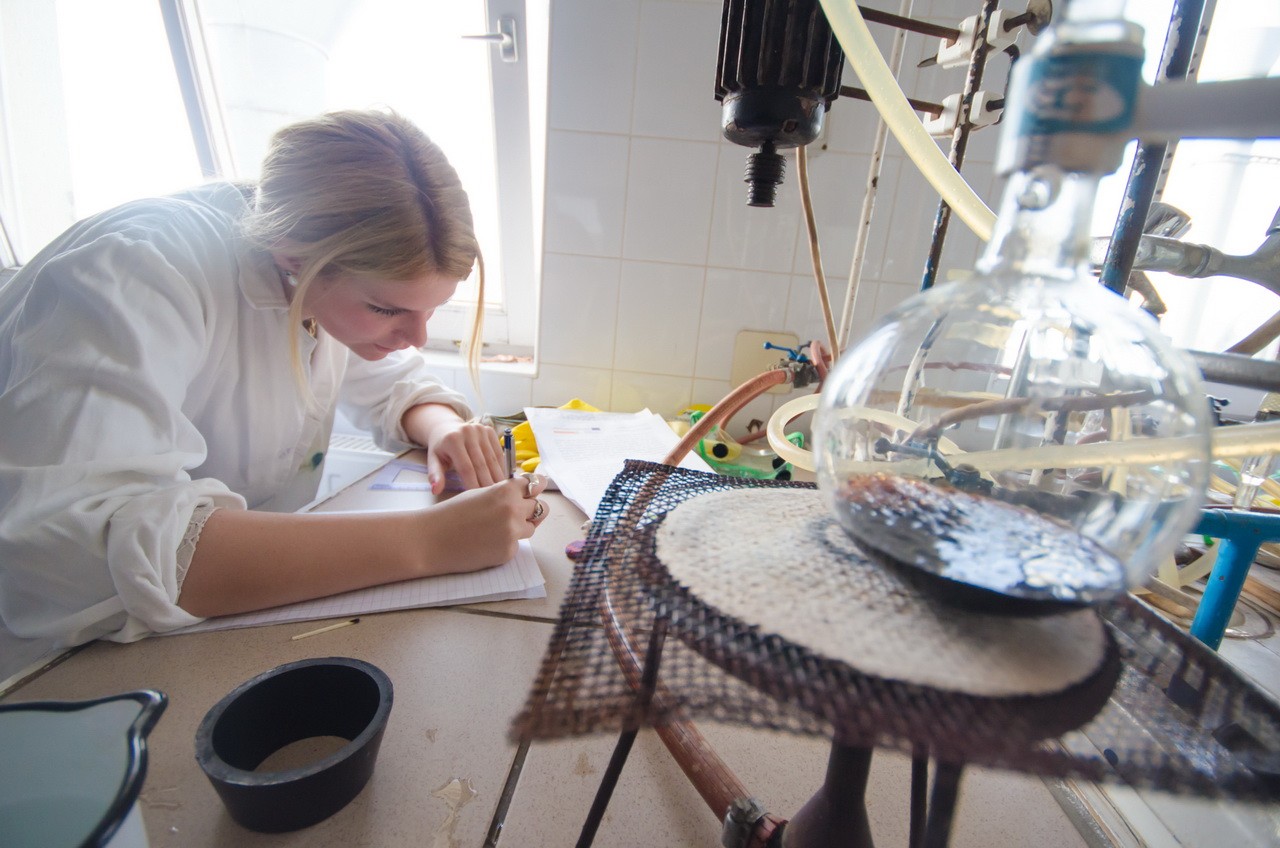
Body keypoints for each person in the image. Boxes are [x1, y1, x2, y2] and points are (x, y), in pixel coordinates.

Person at [0, 109, 549, 647]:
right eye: (387, 309)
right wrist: (429, 541)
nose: (417, 336)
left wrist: (443, 427)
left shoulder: (314, 265)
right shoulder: (138, 273)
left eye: (432, 310)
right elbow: (78, 553)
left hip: (214, 624)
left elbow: (390, 380)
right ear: (294, 260)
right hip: (48, 662)